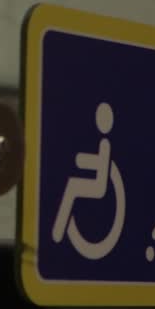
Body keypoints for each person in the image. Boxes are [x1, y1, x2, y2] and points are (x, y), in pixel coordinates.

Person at [52, 102, 115, 243]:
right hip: (97, 181)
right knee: (73, 186)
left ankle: (58, 230)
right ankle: (58, 230)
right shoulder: (102, 141)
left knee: (73, 187)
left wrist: (81, 160)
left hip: (99, 186)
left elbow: (100, 164)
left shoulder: (105, 144)